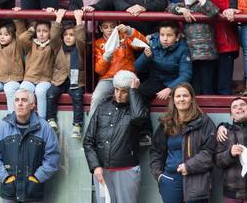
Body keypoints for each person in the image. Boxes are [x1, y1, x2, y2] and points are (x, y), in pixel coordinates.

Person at [82, 69, 150, 203]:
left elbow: (139, 118)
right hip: (101, 172)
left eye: (124, 91)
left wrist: (134, 92)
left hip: (127, 171)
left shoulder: (136, 109)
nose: (118, 94)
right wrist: (95, 166)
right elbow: (88, 141)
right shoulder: (102, 108)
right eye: (116, 89)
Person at [0, 86, 61, 202]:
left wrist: (37, 178)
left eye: (24, 100)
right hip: (9, 192)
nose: (19, 103)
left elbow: (53, 157)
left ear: (32, 105)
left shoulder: (44, 128)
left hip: (33, 192)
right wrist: (5, 178)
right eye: (17, 100)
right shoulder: (2, 127)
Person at [149, 83, 217, 203]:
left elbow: (209, 152)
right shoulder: (167, 123)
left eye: (185, 95)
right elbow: (156, 150)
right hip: (170, 180)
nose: (181, 99)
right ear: (173, 100)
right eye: (178, 96)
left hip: (197, 178)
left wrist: (189, 166)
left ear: (192, 99)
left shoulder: (204, 122)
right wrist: (159, 175)